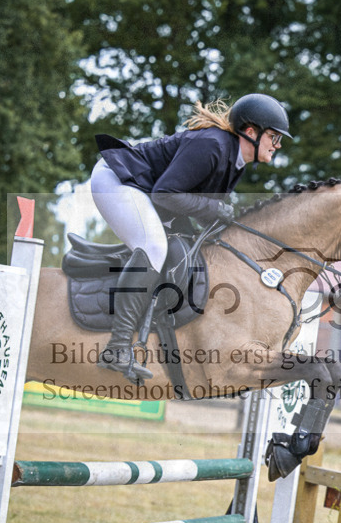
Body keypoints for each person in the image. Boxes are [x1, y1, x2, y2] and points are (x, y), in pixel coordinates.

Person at [90, 93, 293, 383]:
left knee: (183, 250)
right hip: (118, 181)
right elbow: (165, 193)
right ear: (251, 131)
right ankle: (118, 347)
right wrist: (214, 209)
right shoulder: (211, 146)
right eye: (273, 136)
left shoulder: (234, 160)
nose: (278, 144)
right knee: (155, 247)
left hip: (147, 193)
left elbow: (199, 211)